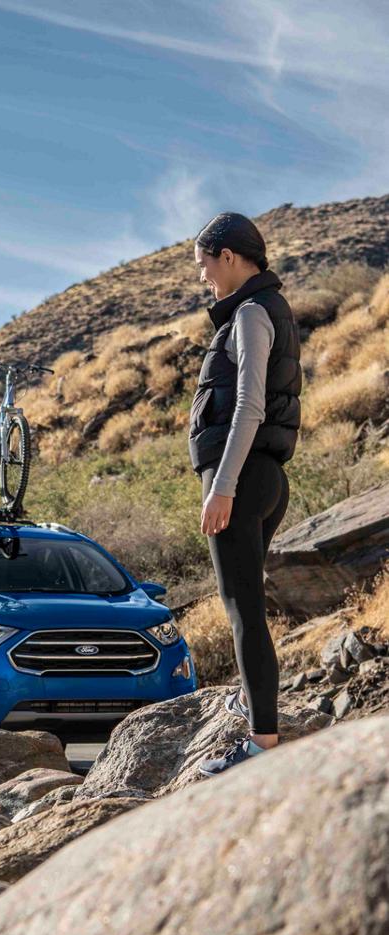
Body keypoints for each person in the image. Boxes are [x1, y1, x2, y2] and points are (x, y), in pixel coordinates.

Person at [188, 212, 301, 776]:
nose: (204, 276)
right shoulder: (258, 310)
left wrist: (222, 487)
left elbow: (248, 407)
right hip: (261, 477)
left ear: (229, 256)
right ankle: (255, 710)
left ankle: (260, 745)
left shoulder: (252, 314)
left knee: (242, 611)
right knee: (244, 606)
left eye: (206, 263)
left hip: (245, 477)